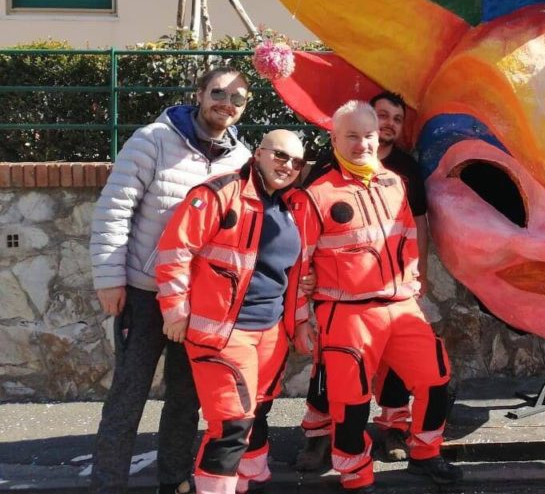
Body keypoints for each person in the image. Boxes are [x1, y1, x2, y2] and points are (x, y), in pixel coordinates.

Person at [90, 66, 253, 494]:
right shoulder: (152, 141)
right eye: (219, 92)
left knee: (186, 400)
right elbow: (114, 210)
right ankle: (107, 486)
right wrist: (110, 278)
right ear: (199, 93)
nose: (227, 103)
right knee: (127, 399)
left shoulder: (241, 159)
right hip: (144, 296)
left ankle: (175, 482)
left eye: (237, 98)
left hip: (199, 303)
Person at [291, 100, 460, 492]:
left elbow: (406, 236)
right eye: (351, 136)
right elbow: (299, 264)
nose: (361, 144)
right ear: (334, 138)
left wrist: (414, 280)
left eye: (367, 135)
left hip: (400, 307)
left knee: (438, 381)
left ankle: (426, 454)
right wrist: (300, 320)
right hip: (345, 314)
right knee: (349, 404)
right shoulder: (317, 193)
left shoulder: (394, 182)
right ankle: (356, 475)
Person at [154, 130, 308, 494]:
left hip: (270, 331)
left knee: (258, 414)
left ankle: (246, 480)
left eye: (297, 162)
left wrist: (298, 322)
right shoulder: (219, 192)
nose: (288, 166)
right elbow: (175, 251)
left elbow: (295, 273)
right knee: (231, 424)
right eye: (281, 156)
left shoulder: (292, 204)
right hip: (223, 331)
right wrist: (174, 310)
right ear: (258, 153)